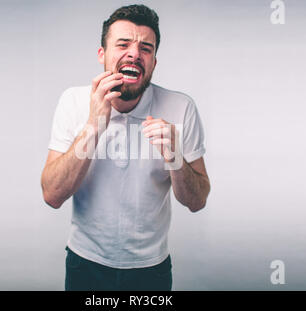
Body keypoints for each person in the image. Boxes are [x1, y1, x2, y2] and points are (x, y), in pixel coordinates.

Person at [41, 4, 211, 291]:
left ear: (154, 62)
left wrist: (175, 158)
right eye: (123, 44)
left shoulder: (180, 108)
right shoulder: (73, 102)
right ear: (102, 55)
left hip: (151, 270)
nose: (135, 53)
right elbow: (52, 195)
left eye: (146, 48)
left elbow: (197, 201)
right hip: (85, 264)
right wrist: (93, 126)